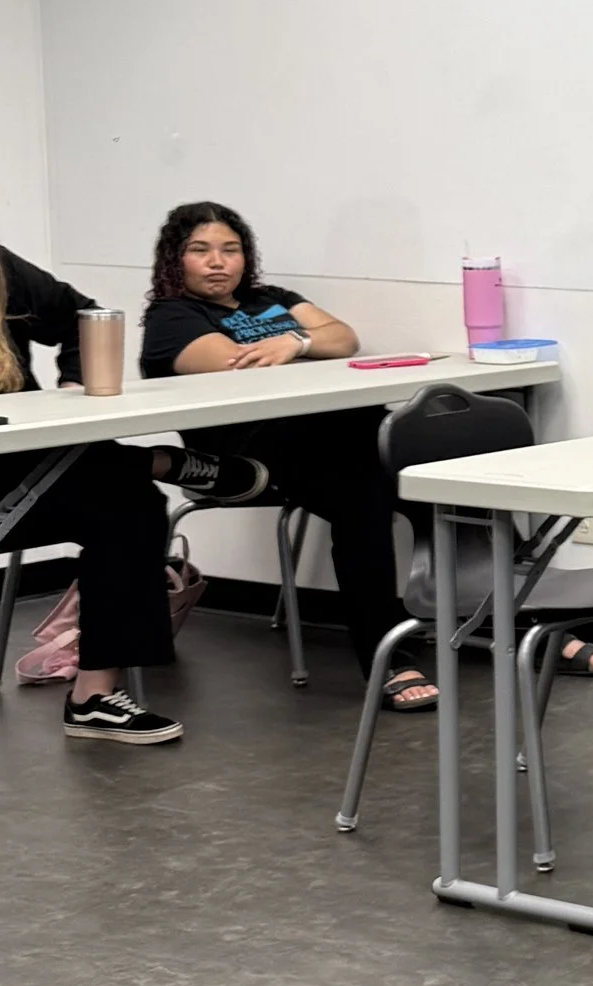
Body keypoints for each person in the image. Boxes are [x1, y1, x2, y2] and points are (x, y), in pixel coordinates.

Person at [139, 202, 436, 713]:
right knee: (363, 496)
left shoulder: (270, 300)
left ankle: (517, 618)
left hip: (328, 437)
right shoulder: (172, 317)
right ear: (175, 260)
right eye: (200, 250)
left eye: (230, 250)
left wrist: (295, 343)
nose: (217, 262)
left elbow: (343, 337)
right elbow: (240, 365)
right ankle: (386, 655)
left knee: (447, 474)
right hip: (247, 456)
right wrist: (298, 342)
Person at [0, 145, 183, 744]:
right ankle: (160, 460)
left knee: (130, 505)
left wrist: (77, 379)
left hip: (11, 472)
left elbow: (86, 314)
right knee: (122, 478)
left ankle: (95, 696)